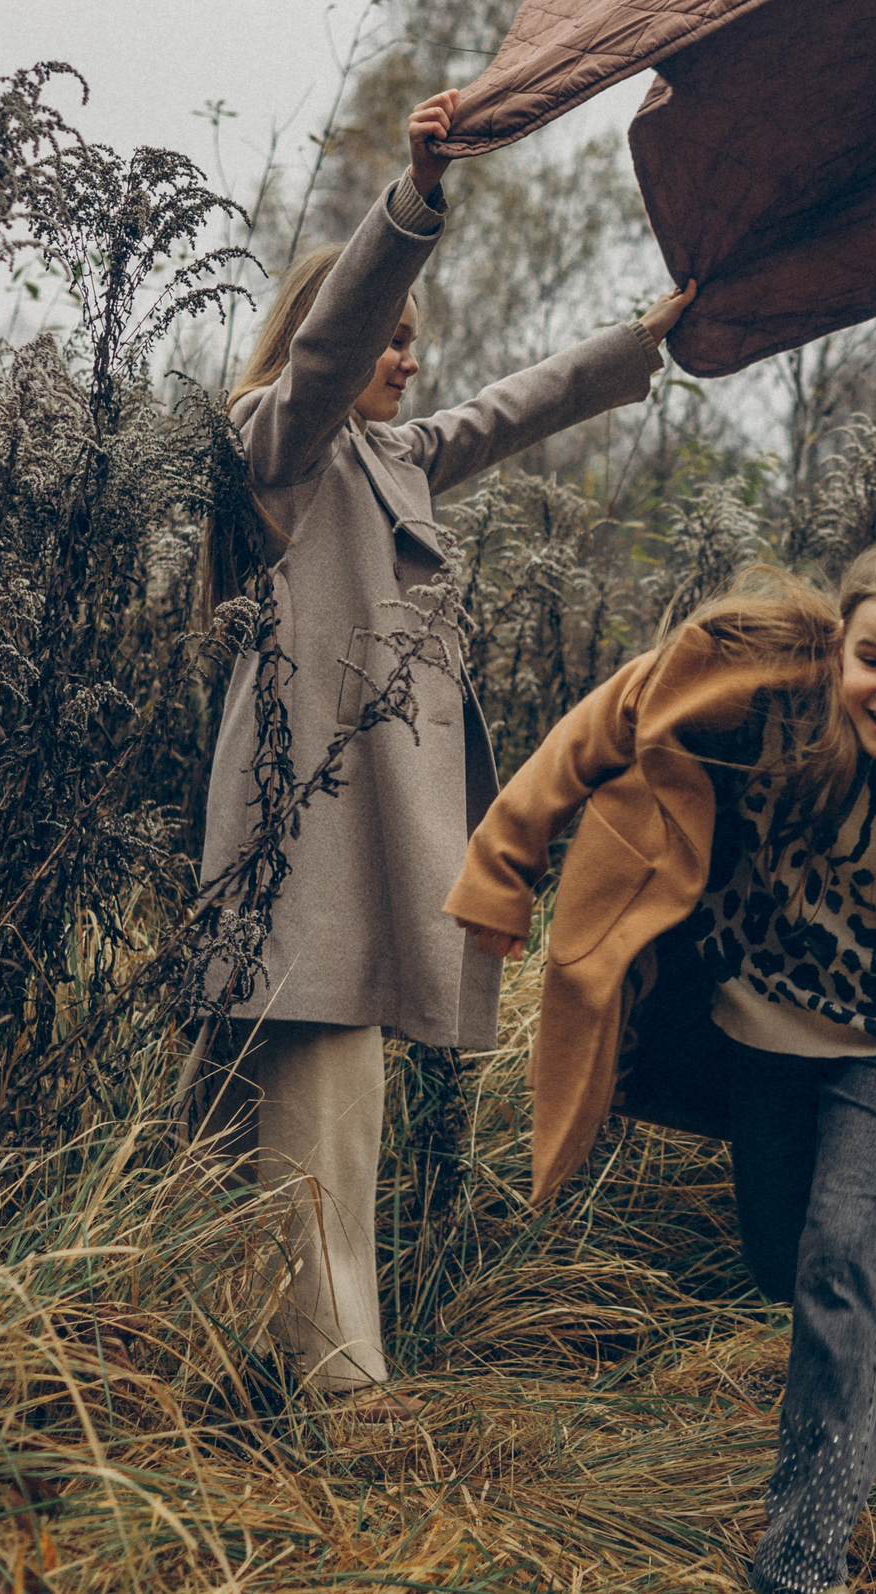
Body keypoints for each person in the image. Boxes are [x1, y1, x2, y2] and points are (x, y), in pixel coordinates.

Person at [449, 540, 876, 1594]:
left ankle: (801, 1551)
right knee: (777, 1260)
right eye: (872, 659)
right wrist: (500, 866)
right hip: (758, 1016)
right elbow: (603, 723)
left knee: (835, 1267)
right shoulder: (770, 706)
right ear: (840, 642)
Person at [193, 84, 695, 1408]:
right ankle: (341, 1395)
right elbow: (328, 349)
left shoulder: (386, 461)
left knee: (297, 1139)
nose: (408, 358)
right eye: (390, 337)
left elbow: (515, 409)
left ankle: (249, 1372)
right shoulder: (279, 449)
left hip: (345, 863)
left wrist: (645, 337)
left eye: (418, 342)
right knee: (313, 1137)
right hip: (304, 868)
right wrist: (413, 203)